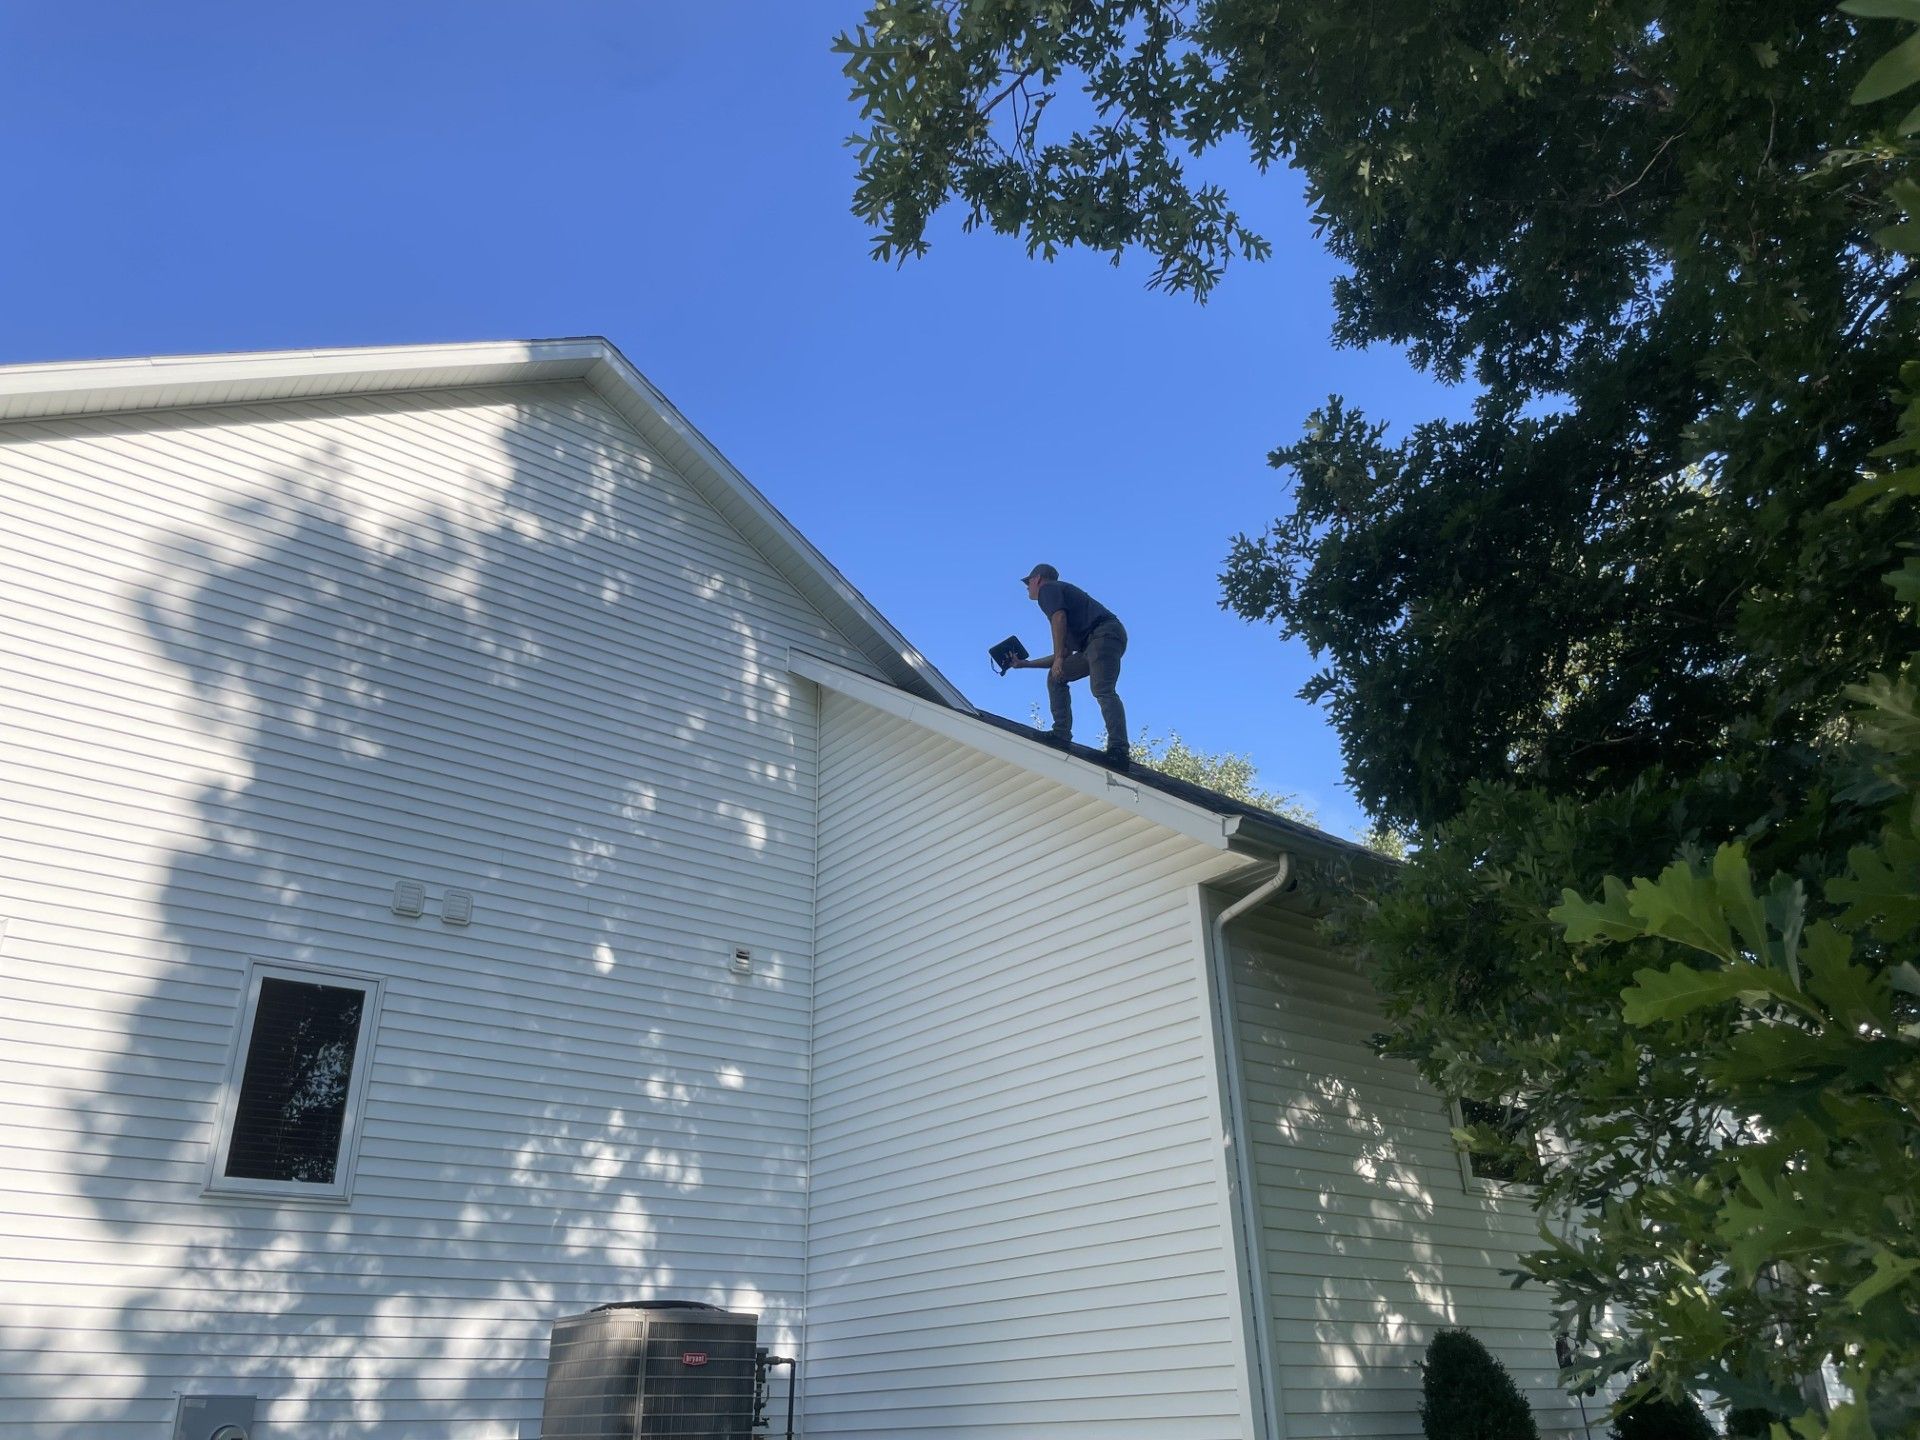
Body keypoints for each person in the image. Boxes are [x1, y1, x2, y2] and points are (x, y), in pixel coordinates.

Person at [1006, 563, 1130, 769]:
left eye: (1028, 583)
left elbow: (1059, 618)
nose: (1028, 588)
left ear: (1037, 579)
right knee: (1056, 677)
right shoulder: (1061, 599)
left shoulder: (1049, 590)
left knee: (1103, 689)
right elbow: (1062, 654)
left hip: (1103, 636)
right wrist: (1025, 664)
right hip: (1094, 643)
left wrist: (1058, 661)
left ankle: (1119, 751)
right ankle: (1061, 734)